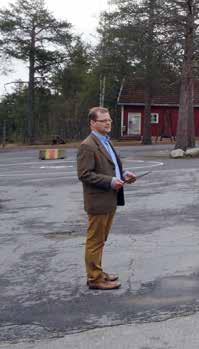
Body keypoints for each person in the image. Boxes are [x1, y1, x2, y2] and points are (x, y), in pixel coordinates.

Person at [77, 107, 137, 290]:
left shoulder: (105, 141)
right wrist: (110, 181)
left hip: (109, 199)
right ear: (92, 123)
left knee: (101, 240)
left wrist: (124, 174)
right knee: (95, 241)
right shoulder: (88, 145)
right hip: (98, 201)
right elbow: (84, 174)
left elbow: (111, 166)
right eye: (103, 121)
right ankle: (95, 279)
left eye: (109, 120)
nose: (108, 123)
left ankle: (98, 272)